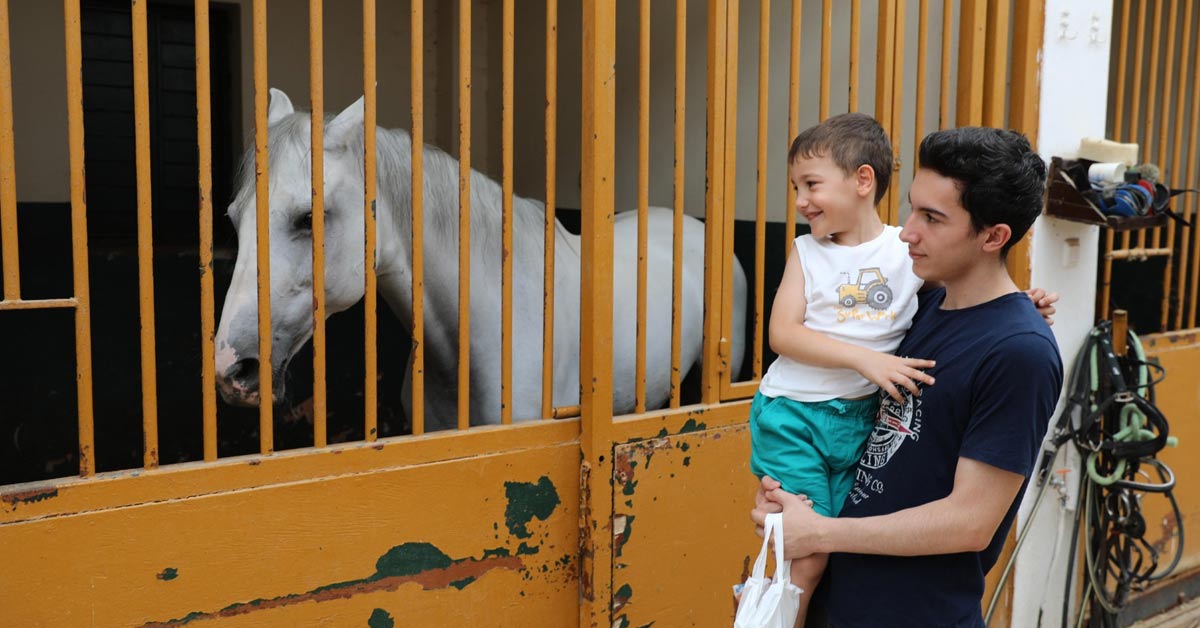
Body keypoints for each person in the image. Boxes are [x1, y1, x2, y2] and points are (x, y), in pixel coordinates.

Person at [746, 114, 1056, 625]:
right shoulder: (924, 307)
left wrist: (818, 533)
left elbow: (970, 524)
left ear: (993, 236)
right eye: (911, 208)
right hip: (838, 601)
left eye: (932, 219)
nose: (907, 232)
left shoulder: (1020, 352)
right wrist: (791, 504)